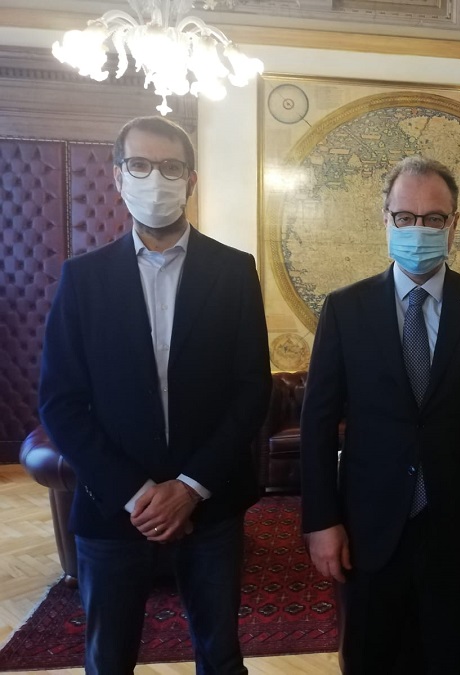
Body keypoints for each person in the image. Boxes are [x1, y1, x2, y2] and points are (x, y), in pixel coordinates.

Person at [39, 116, 272, 675]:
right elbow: (60, 402)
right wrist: (137, 493)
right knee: (109, 660)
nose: (155, 179)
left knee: (220, 656)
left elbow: (251, 389)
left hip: (210, 504)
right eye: (140, 165)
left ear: (191, 181)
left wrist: (189, 488)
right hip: (112, 505)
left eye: (170, 167)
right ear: (119, 177)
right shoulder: (83, 279)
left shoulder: (234, 271)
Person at [300, 156, 460, 673]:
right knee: (371, 658)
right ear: (385, 219)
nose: (418, 229)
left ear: (454, 224)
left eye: (433, 218)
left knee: (455, 657)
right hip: (368, 526)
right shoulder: (345, 309)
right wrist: (321, 520)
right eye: (405, 217)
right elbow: (317, 425)